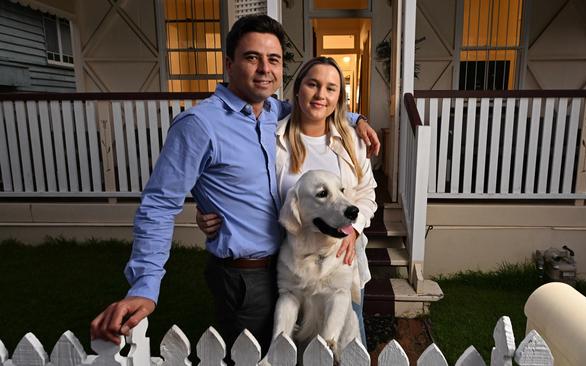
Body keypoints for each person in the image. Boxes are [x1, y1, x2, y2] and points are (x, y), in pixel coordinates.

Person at [89, 14, 379, 358]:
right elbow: (158, 205)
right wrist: (145, 286)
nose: (264, 69)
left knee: (307, 353)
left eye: (273, 60)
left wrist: (355, 118)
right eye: (252, 57)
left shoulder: (271, 111)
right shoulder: (199, 125)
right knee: (255, 356)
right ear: (229, 63)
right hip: (246, 276)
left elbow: (315, 106)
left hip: (289, 262)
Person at [197, 56, 377, 348]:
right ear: (297, 89)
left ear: (339, 98)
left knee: (347, 345)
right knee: (288, 348)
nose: (321, 95)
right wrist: (208, 211)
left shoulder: (352, 141)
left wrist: (354, 229)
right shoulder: (272, 138)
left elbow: (367, 193)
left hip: (342, 261)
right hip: (290, 261)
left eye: (331, 89)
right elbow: (248, 189)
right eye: (313, 85)